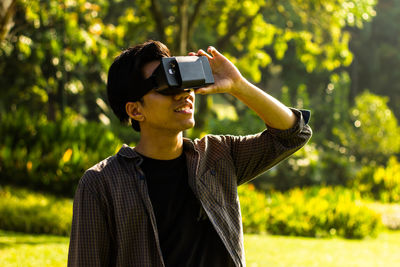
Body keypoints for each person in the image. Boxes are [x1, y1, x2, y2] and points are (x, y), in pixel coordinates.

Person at [68, 40, 312, 267]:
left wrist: (239, 85)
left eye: (185, 82)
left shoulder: (218, 156)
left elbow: (291, 134)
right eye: (166, 86)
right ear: (135, 110)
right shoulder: (101, 183)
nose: (184, 93)